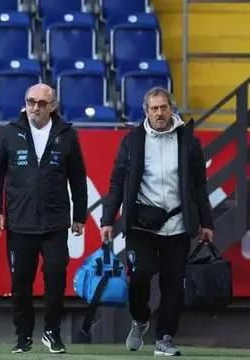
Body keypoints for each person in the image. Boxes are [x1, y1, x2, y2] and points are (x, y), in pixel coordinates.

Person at [100, 87, 214, 356]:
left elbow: (199, 185)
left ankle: (164, 337)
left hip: (177, 224)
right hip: (141, 223)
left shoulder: (188, 140)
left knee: (173, 284)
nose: (160, 113)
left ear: (171, 109)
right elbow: (117, 183)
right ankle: (140, 319)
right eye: (154, 108)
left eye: (164, 107)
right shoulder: (132, 141)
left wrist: (206, 223)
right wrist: (107, 219)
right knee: (140, 275)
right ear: (146, 111)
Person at [0, 83, 88, 354]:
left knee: (55, 277)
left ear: (53, 105)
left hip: (55, 222)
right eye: (31, 101)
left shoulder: (67, 135)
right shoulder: (9, 132)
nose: (35, 107)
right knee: (21, 283)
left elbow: (78, 178)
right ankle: (23, 335)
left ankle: (52, 331)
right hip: (19, 223)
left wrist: (80, 215)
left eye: (41, 103)